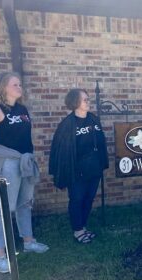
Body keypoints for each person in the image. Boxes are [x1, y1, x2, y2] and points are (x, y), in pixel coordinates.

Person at [0, 72, 49, 274]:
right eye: (15, 84)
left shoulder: (22, 109)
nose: (20, 87)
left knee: (25, 203)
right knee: (4, 209)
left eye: (20, 84)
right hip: (6, 162)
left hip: (25, 161)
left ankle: (28, 241)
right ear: (3, 88)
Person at [49, 89, 108, 244]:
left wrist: (101, 162)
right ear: (75, 102)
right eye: (85, 100)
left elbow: (101, 142)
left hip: (93, 168)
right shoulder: (67, 125)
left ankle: (83, 226)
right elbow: (60, 149)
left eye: (88, 99)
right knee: (77, 199)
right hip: (76, 170)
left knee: (88, 199)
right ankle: (78, 231)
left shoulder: (93, 119)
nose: (88, 102)